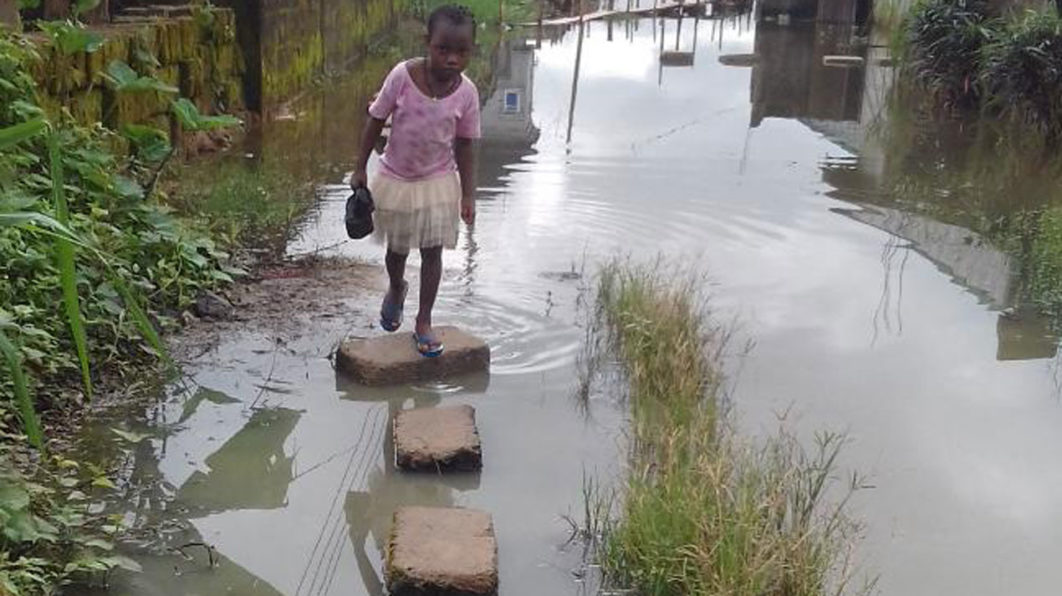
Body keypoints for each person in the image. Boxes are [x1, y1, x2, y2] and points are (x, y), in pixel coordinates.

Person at [352, 4, 480, 358]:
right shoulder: (402, 76)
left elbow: (466, 144)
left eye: (461, 52)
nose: (452, 59)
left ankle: (424, 321)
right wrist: (359, 167)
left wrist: (468, 195)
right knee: (397, 249)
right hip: (396, 177)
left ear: (471, 50)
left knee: (432, 252)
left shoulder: (467, 93)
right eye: (443, 49)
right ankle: (396, 288)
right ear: (427, 43)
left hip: (438, 180)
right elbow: (375, 119)